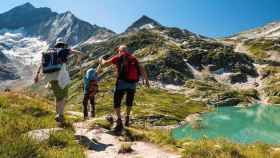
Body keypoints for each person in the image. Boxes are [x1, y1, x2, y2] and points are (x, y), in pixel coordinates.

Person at [34, 38, 87, 124]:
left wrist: (37, 75)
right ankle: (60, 115)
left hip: (50, 78)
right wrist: (79, 58)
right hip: (61, 77)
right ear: (63, 44)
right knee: (63, 97)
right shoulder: (64, 50)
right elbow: (80, 53)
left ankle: (58, 118)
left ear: (56, 44)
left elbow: (41, 64)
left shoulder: (49, 52)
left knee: (58, 97)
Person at [101, 45, 150, 132]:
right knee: (129, 101)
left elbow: (104, 64)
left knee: (117, 101)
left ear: (120, 50)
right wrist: (146, 80)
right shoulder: (133, 58)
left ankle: (119, 120)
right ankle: (127, 118)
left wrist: (101, 59)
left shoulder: (118, 57)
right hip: (132, 84)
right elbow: (142, 68)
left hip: (121, 83)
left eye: (118, 50)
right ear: (127, 50)